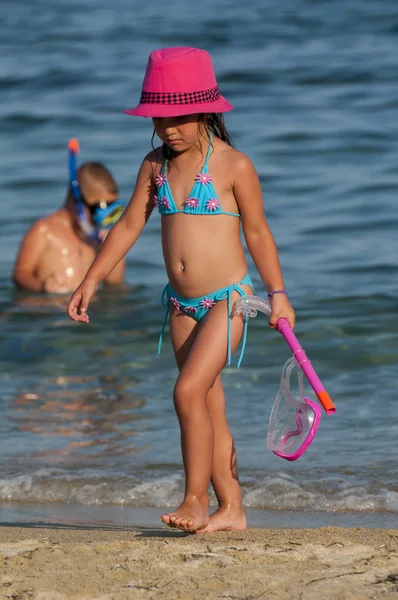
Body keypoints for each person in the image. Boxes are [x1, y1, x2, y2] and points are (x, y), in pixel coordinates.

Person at [67, 47, 295, 533]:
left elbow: (257, 233)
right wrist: (91, 279)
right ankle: (231, 509)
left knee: (187, 391)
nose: (169, 128)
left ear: (206, 109)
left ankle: (194, 499)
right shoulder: (154, 166)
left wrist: (278, 293)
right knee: (207, 406)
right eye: (159, 117)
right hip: (181, 305)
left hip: (229, 300)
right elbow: (128, 226)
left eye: (179, 117)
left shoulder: (234, 166)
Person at [13, 142, 125, 294]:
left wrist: (114, 250)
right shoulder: (44, 230)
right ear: (76, 198)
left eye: (112, 211)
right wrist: (42, 286)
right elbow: (19, 274)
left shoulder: (98, 238)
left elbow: (113, 284)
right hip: (49, 310)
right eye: (98, 210)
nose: (102, 220)